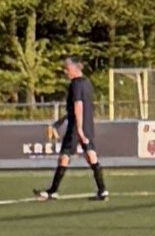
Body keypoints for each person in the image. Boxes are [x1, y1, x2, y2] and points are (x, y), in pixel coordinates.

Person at [45, 58, 109, 198]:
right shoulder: (87, 83)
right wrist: (59, 123)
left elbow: (78, 106)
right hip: (88, 125)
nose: (65, 71)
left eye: (67, 69)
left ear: (75, 68)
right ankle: (102, 189)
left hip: (76, 127)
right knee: (90, 154)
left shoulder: (75, 84)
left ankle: (53, 191)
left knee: (65, 156)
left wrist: (78, 128)